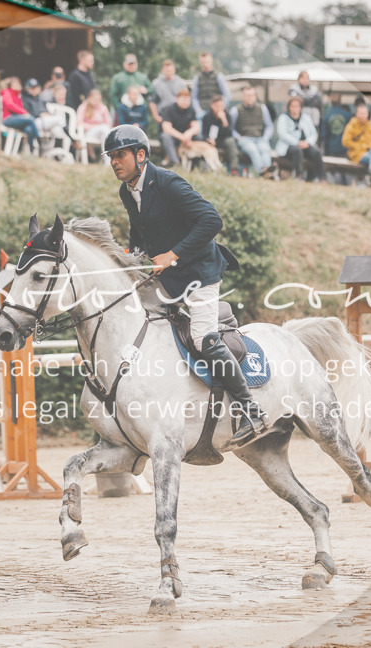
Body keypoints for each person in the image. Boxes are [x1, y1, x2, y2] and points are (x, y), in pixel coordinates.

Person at [103, 125, 267, 445]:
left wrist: (173, 254)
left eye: (119, 155)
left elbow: (211, 221)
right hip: (168, 276)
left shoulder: (167, 181)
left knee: (203, 338)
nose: (114, 162)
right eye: (111, 157)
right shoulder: (127, 191)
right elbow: (141, 236)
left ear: (140, 155)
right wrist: (129, 261)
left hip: (200, 269)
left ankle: (251, 409)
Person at [275, 97, 326, 182]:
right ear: (289, 107)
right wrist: (297, 142)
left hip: (305, 145)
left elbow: (314, 134)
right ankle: (300, 176)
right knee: (297, 150)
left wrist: (308, 142)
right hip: (289, 146)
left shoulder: (306, 118)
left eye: (297, 106)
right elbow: (282, 134)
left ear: (301, 107)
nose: (295, 108)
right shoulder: (283, 118)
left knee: (317, 152)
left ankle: (322, 178)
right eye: (293, 106)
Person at [229, 85, 274, 177]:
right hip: (245, 139)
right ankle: (263, 172)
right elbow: (230, 128)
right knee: (253, 150)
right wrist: (238, 137)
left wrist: (265, 138)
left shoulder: (262, 108)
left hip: (260, 138)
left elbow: (269, 126)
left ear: (255, 96)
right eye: (247, 95)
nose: (250, 97)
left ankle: (267, 171)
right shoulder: (235, 110)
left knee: (265, 149)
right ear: (243, 97)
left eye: (252, 95)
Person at [342, 104, 371, 182]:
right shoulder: (352, 125)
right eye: (360, 113)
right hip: (357, 153)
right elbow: (345, 142)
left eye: (364, 113)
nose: (362, 115)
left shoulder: (370, 126)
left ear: (367, 114)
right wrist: (361, 146)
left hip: (370, 152)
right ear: (356, 114)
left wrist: (370, 147)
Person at [160, 89, 201, 168]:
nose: (185, 102)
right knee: (165, 136)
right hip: (174, 137)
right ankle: (175, 163)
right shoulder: (169, 109)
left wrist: (189, 133)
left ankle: (195, 165)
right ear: (177, 99)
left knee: (199, 136)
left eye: (188, 100)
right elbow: (166, 128)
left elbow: (196, 127)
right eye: (183, 99)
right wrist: (182, 138)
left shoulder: (191, 110)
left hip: (186, 137)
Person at [200, 95, 238, 173]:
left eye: (221, 106)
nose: (219, 108)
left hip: (223, 140)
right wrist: (208, 140)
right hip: (211, 141)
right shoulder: (207, 117)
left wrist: (224, 121)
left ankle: (234, 168)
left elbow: (230, 133)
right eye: (217, 106)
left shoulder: (227, 115)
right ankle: (207, 169)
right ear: (212, 106)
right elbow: (204, 134)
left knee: (230, 141)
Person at [2, 76, 40, 150]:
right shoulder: (7, 92)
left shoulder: (19, 95)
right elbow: (10, 105)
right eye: (15, 84)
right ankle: (38, 140)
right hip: (8, 118)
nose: (17, 86)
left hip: (18, 119)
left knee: (28, 129)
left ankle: (30, 148)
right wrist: (24, 112)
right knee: (31, 119)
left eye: (18, 84)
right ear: (10, 85)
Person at [190, 51, 230, 119]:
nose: (205, 64)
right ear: (200, 62)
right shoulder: (197, 78)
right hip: (202, 111)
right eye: (203, 62)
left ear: (211, 60)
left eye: (207, 61)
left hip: (217, 111)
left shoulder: (219, 76)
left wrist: (220, 108)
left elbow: (227, 95)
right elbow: (194, 97)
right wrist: (198, 110)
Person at [76, 88, 113, 158]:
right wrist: (94, 126)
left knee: (104, 131)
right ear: (89, 98)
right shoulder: (83, 107)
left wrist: (100, 126)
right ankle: (108, 159)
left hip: (102, 132)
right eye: (95, 99)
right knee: (103, 128)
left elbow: (109, 123)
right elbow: (79, 123)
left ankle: (107, 159)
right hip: (87, 133)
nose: (96, 102)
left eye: (98, 100)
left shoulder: (103, 108)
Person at [150, 59, 187, 126]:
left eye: (170, 70)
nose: (169, 72)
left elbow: (186, 100)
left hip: (179, 114)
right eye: (167, 71)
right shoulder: (156, 84)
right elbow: (153, 102)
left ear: (174, 70)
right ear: (162, 70)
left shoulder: (181, 83)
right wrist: (156, 116)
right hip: (164, 114)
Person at [322, 94, 351, 158]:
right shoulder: (348, 115)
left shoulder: (327, 116)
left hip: (331, 149)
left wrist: (326, 152)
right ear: (341, 101)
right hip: (345, 149)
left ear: (331, 103)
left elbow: (324, 135)